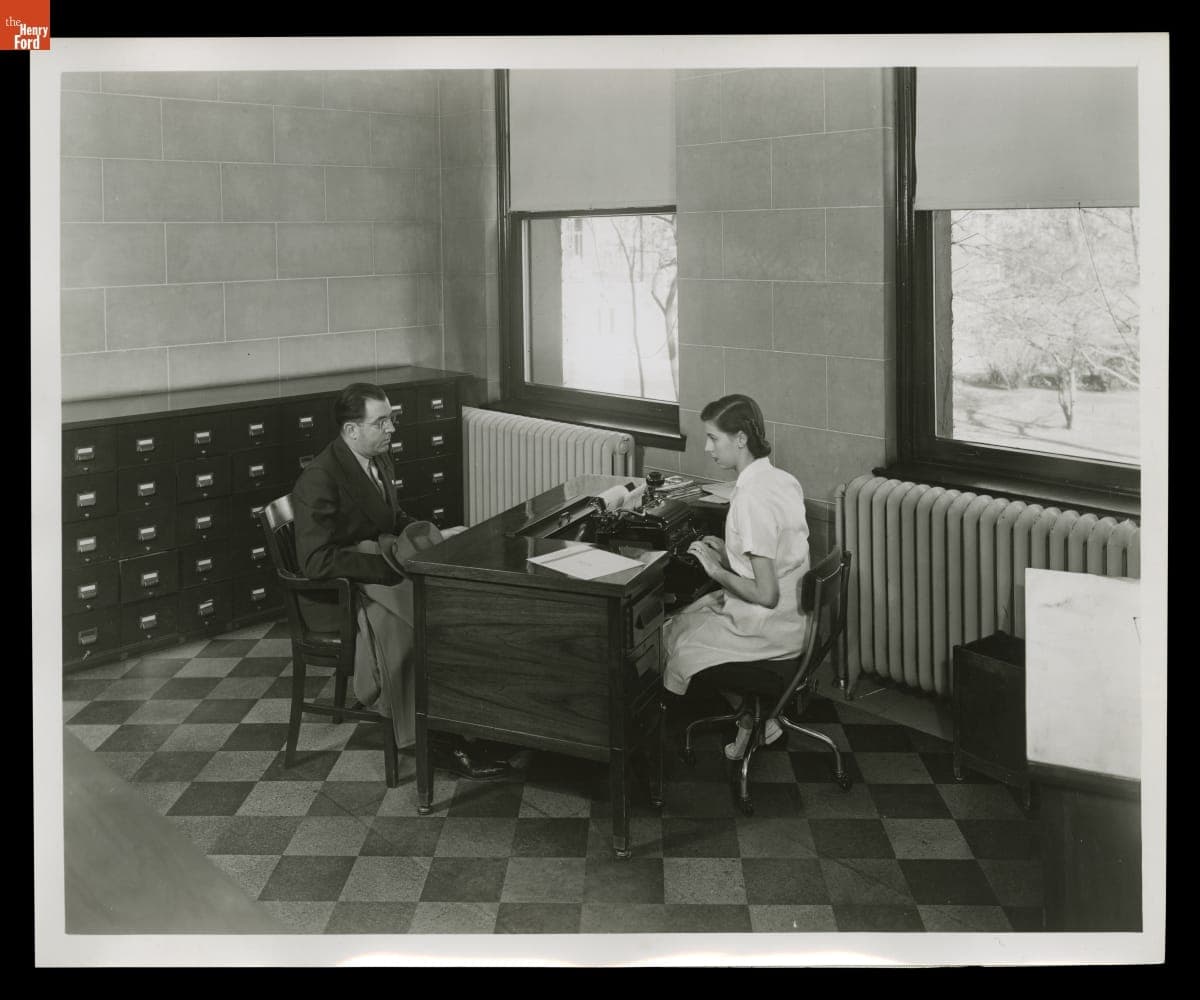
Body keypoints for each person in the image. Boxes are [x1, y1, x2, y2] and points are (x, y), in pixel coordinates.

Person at [292, 382, 510, 780]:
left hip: (376, 571)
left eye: (392, 419)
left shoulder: (377, 459)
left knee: (449, 608)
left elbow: (391, 519)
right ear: (351, 430)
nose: (391, 428)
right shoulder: (320, 478)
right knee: (421, 629)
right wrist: (390, 567)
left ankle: (469, 722)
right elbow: (314, 562)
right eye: (381, 422)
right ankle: (437, 741)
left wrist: (434, 535)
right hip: (340, 595)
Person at [662, 394, 812, 760]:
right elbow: (773, 559)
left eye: (713, 438)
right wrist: (729, 555)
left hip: (769, 626)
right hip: (797, 620)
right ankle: (755, 717)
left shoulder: (750, 500)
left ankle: (752, 719)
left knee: (670, 636)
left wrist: (714, 569)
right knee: (689, 615)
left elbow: (766, 594)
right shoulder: (780, 479)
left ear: (741, 438)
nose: (707, 446)